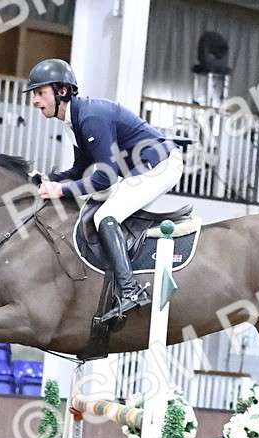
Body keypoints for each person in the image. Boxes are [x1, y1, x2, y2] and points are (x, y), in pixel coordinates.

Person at [25, 58, 184, 324]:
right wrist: (50, 179)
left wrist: (61, 192)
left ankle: (131, 290)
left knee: (104, 216)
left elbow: (104, 178)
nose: (35, 101)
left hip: (161, 163)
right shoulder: (75, 119)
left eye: (40, 93)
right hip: (140, 166)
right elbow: (80, 169)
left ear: (61, 91)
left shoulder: (89, 118)